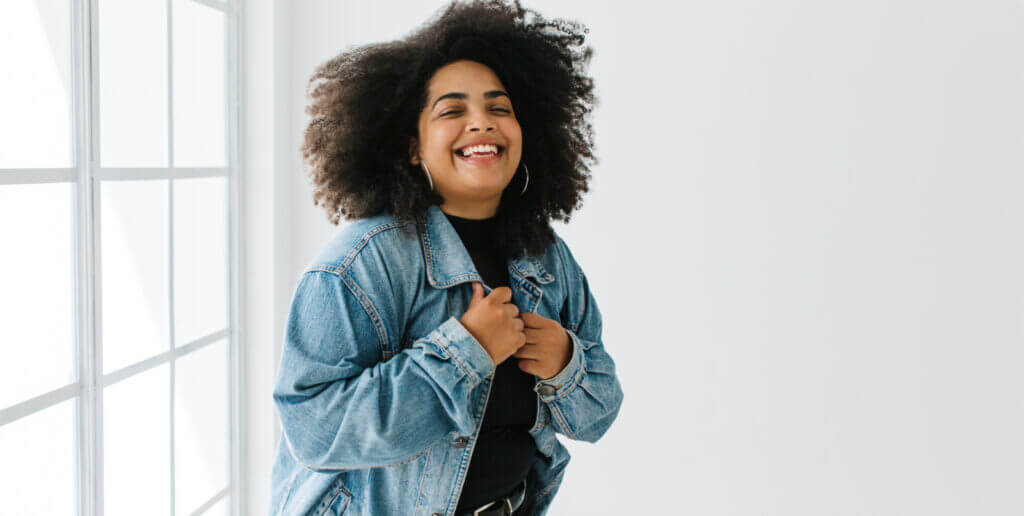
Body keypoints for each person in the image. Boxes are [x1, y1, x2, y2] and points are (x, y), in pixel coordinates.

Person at [269, 1, 624, 514]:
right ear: (413, 147)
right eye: (452, 111)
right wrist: (466, 352)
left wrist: (566, 362)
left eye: (499, 108)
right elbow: (315, 431)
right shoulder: (359, 266)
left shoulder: (548, 259)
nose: (481, 123)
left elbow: (599, 413)